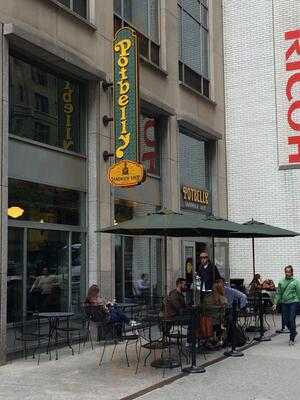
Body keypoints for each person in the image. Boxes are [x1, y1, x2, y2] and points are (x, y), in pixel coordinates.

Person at [273, 265, 300, 345]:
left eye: (289, 271)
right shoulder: (281, 282)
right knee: (285, 320)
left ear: (292, 272)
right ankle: (294, 331)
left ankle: (291, 338)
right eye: (286, 271)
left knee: (291, 319)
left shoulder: (296, 282)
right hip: (284, 303)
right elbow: (278, 294)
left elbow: (299, 293)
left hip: (293, 302)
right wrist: (275, 303)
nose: (287, 273)